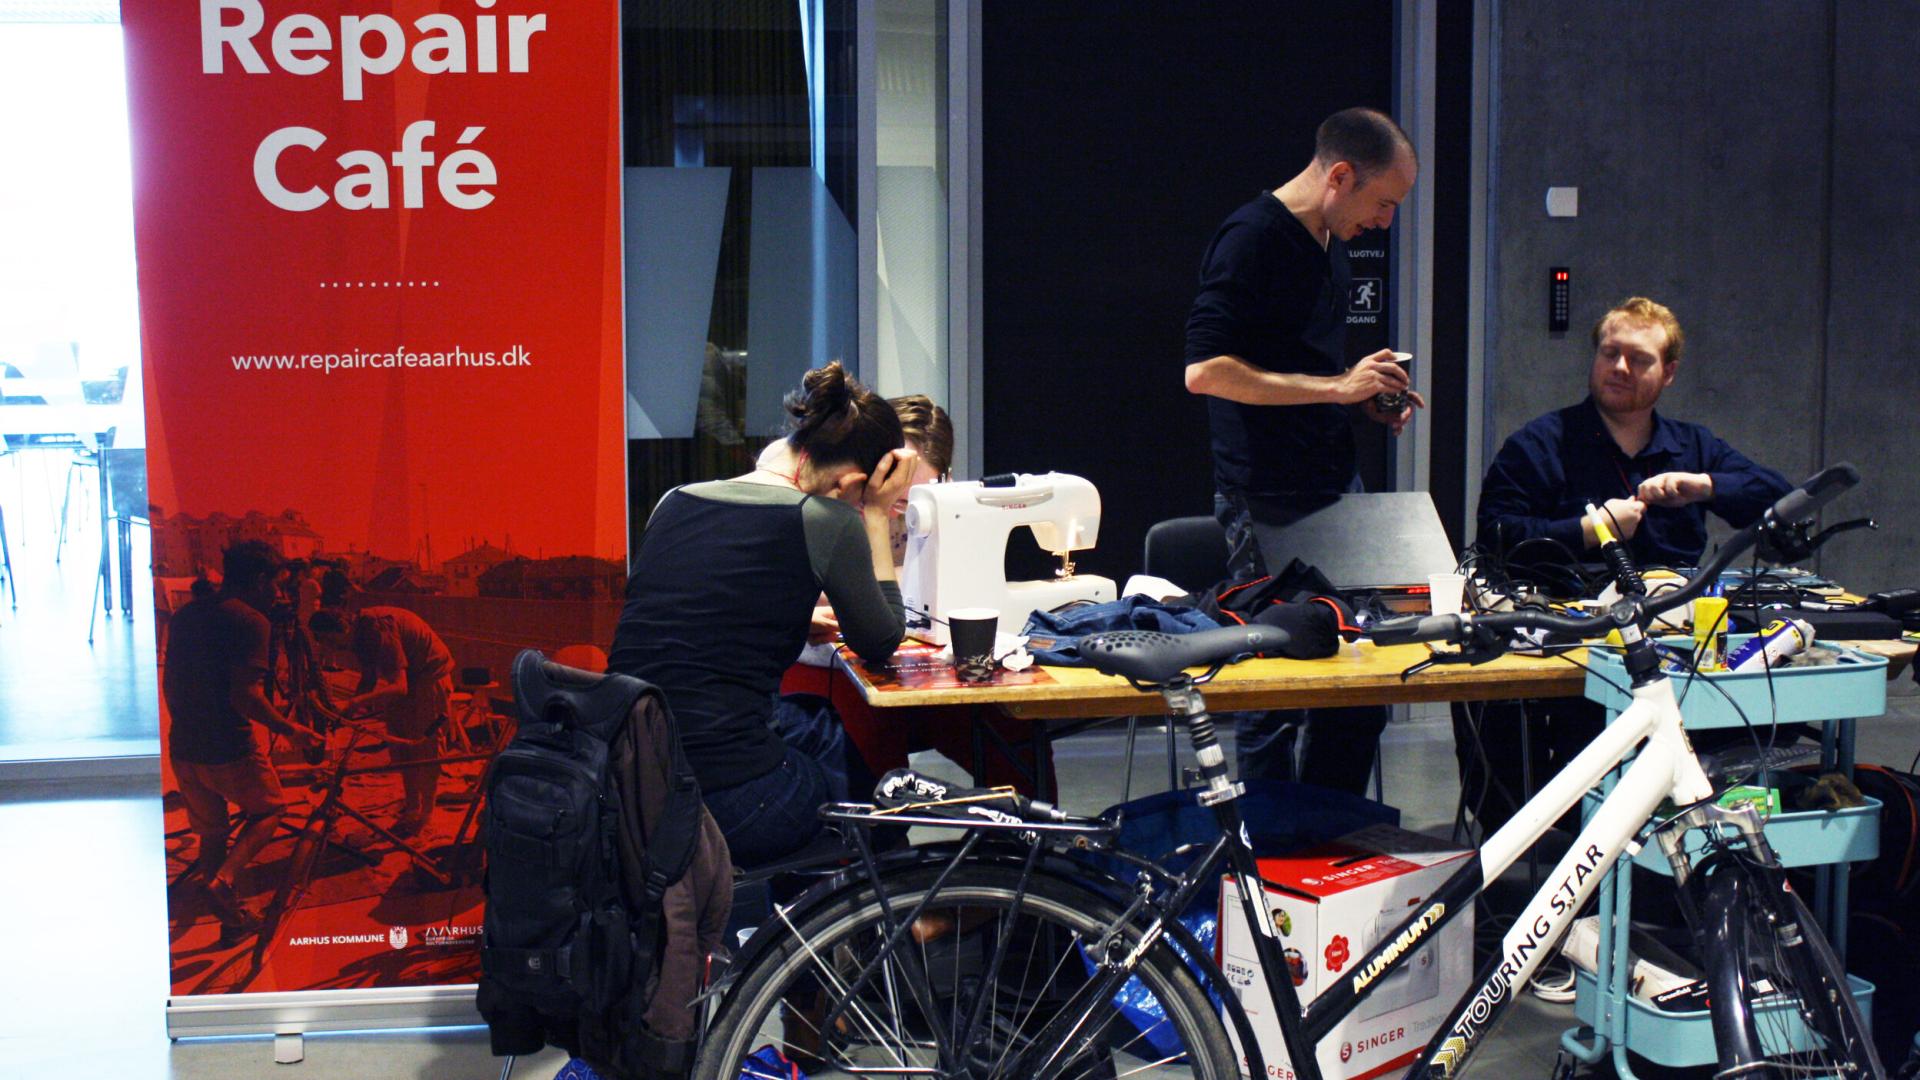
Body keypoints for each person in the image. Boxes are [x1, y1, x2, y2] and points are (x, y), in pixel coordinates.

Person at [1462, 296, 1792, 834]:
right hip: (1573, 646)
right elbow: (1494, 535)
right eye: (1609, 353)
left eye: (1638, 359)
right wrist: (1590, 531)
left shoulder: (1692, 446)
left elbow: (1779, 497)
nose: (1619, 367)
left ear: (1669, 374)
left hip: (1676, 647)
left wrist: (1704, 486)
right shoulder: (1541, 443)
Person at [1182, 106, 1421, 794]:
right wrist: (1335, 386)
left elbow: (1308, 366)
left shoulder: (1330, 239)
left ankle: (1328, 835)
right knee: (1277, 690)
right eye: (1383, 203)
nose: (1385, 221)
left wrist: (1366, 394)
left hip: (1331, 484)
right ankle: (1273, 855)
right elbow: (1204, 371)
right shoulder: (1251, 239)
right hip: (1264, 494)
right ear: (1341, 176)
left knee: (1363, 680)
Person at [608, 361, 917, 868]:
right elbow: (882, 639)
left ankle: (806, 929)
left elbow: (688, 624)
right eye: (862, 498)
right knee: (860, 786)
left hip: (630, 780)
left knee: (810, 721)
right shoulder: (825, 519)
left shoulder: (673, 501)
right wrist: (878, 515)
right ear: (851, 483)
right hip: (726, 795)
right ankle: (853, 918)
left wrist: (793, 622)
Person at [163, 540, 325, 939]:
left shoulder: (185, 616)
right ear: (257, 579)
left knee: (212, 833)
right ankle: (223, 880)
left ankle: (231, 922)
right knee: (269, 810)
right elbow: (246, 696)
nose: (279, 594)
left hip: (184, 746)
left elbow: (170, 682)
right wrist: (293, 730)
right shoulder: (251, 621)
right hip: (229, 747)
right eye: (276, 584)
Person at [308, 605, 457, 839]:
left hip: (429, 676)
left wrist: (352, 703)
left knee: (425, 748)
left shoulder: (377, 629)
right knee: (401, 748)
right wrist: (342, 717)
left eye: (331, 640)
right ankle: (411, 809)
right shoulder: (357, 635)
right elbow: (368, 679)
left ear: (344, 626)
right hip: (408, 678)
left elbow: (399, 686)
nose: (332, 648)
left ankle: (427, 815)